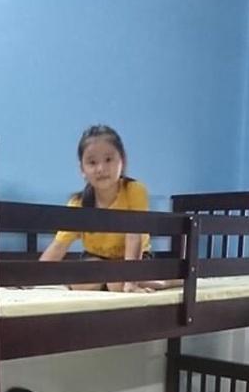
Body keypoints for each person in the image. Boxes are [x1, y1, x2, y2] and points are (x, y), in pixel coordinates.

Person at [39, 124, 160, 293]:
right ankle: (112, 281)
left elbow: (134, 237)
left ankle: (167, 281)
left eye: (108, 160)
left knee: (118, 284)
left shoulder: (134, 190)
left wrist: (131, 282)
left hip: (135, 257)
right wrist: (34, 277)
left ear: (122, 161)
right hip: (96, 259)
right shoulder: (79, 203)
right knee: (81, 282)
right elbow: (59, 245)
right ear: (82, 169)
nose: (101, 169)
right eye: (92, 162)